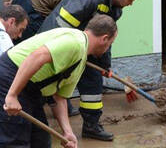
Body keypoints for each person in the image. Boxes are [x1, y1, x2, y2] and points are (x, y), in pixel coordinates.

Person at [38, 0, 142, 141]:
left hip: (86, 46)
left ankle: (91, 126)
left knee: (93, 82)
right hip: (58, 43)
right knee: (50, 82)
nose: (131, 4)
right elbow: (61, 24)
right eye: (130, 0)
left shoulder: (115, 9)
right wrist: (67, 51)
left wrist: (105, 66)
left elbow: (106, 39)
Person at [0, 14, 118, 148]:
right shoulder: (75, 43)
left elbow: (59, 98)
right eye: (110, 43)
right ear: (104, 39)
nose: (108, 48)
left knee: (41, 140)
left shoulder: (81, 58)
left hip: (31, 89)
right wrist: (12, 95)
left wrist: (67, 132)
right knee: (15, 139)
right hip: (10, 76)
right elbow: (36, 57)